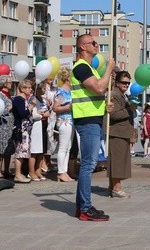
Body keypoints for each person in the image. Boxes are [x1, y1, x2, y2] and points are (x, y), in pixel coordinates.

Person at [71, 33, 115, 221]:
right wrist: (108, 71)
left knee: (89, 164)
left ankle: (82, 206)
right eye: (93, 43)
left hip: (93, 118)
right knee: (88, 164)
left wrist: (105, 105)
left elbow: (96, 94)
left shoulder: (89, 68)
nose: (97, 46)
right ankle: (85, 208)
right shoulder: (81, 67)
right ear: (82, 47)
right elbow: (98, 88)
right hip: (86, 120)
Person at [107, 71, 135, 198]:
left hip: (121, 132)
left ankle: (112, 187)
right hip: (117, 132)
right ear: (117, 83)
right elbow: (114, 114)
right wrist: (130, 109)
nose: (126, 85)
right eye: (124, 82)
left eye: (128, 83)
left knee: (117, 161)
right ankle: (117, 189)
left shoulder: (121, 94)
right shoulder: (114, 94)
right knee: (117, 162)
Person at [9, 79, 35, 183]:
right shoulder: (19, 99)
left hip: (26, 130)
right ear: (22, 88)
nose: (30, 89)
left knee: (23, 152)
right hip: (21, 129)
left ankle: (20, 173)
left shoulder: (23, 99)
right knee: (20, 152)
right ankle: (17, 174)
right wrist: (31, 107)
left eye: (30, 87)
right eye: (28, 87)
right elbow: (22, 114)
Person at [53, 67, 75, 183]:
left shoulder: (70, 91)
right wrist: (68, 107)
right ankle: (61, 172)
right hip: (64, 121)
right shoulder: (61, 92)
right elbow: (55, 107)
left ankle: (64, 171)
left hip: (71, 121)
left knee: (68, 147)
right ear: (67, 79)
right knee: (63, 147)